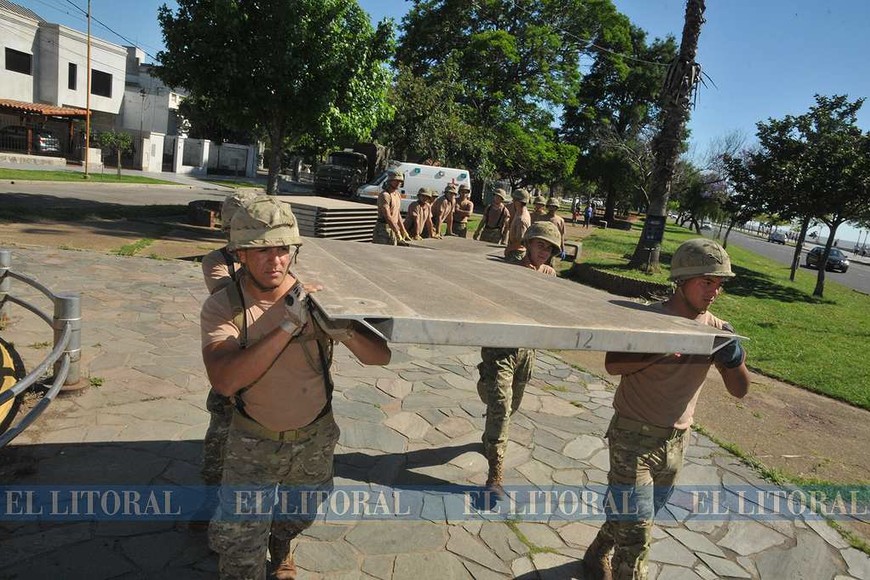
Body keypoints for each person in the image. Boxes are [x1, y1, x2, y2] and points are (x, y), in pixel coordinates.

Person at [201, 196, 391, 579]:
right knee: (239, 551)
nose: (275, 261)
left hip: (314, 435)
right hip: (253, 440)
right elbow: (224, 381)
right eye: (262, 250)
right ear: (239, 253)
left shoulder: (319, 296)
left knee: (301, 510)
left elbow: (379, 358)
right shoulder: (224, 306)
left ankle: (281, 541)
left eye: (283, 249)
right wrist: (287, 325)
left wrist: (347, 330)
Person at [582, 238, 750, 580]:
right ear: (682, 280)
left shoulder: (717, 330)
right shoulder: (649, 318)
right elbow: (613, 364)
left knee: (638, 516)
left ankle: (599, 546)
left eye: (718, 285)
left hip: (676, 443)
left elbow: (740, 391)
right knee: (638, 540)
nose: (713, 293)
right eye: (706, 282)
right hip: (632, 438)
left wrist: (733, 358)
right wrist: (661, 347)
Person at [477, 221, 562, 499]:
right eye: (540, 245)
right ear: (528, 243)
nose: (544, 252)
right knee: (501, 404)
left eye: (549, 248)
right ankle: (495, 475)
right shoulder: (508, 269)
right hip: (501, 347)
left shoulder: (549, 275)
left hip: (528, 349)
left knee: (511, 404)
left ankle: (489, 413)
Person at [199, 190, 261, 493]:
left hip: (268, 362)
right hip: (234, 359)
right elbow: (229, 298)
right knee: (220, 444)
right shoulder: (217, 260)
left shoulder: (274, 255)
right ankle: (209, 501)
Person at [373, 169, 411, 246]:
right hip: (383, 229)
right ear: (390, 181)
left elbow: (397, 214)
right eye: (396, 180)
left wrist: (403, 230)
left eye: (400, 181)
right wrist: (397, 231)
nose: (398, 183)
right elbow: (387, 216)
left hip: (393, 228)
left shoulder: (397, 194)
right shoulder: (385, 195)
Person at [504, 189, 531, 261]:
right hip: (514, 250)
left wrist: (508, 249)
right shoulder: (519, 212)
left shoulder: (521, 219)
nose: (513, 201)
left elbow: (521, 242)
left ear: (519, 202)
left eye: (514, 200)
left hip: (516, 253)